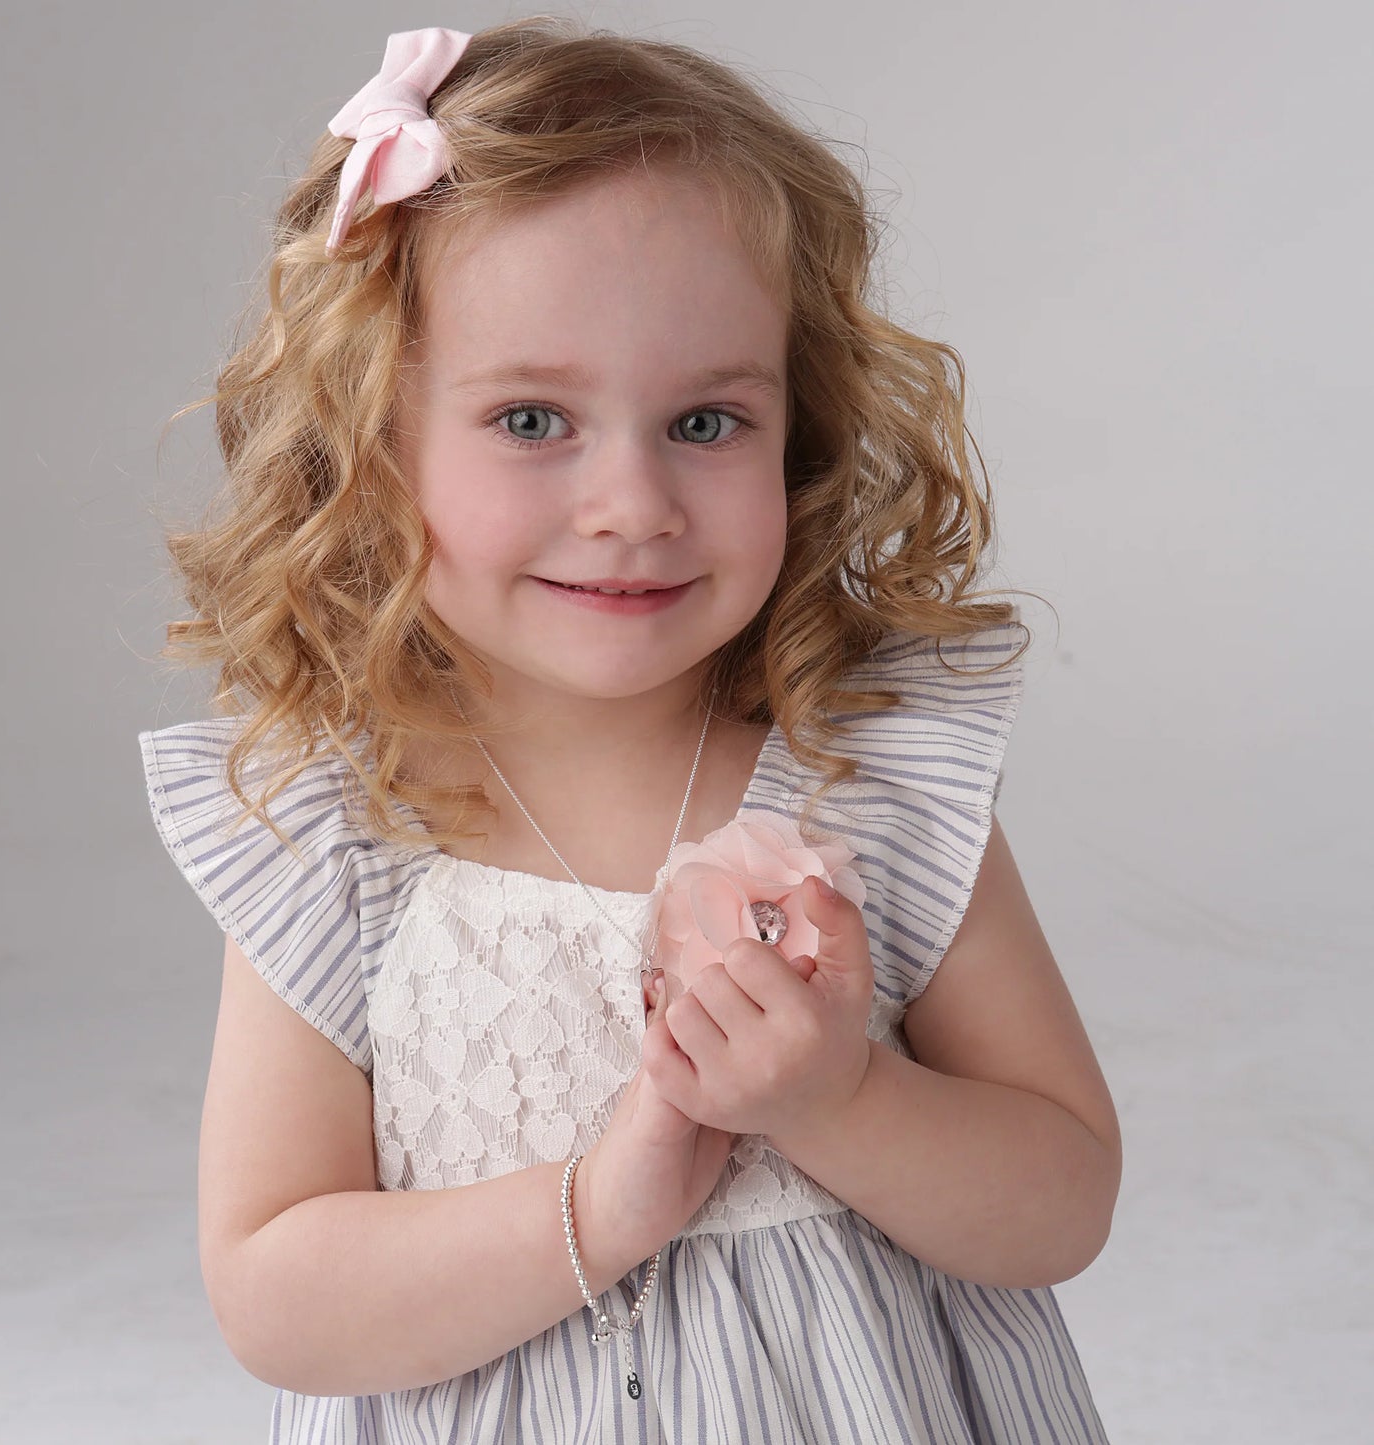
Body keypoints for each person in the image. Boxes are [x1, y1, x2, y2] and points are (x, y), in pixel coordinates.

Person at [137, 16, 1120, 1443]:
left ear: (799, 432)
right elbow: (276, 1297)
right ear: (372, 441)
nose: (632, 507)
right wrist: (597, 1208)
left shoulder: (872, 775)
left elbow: (1063, 1199)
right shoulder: (339, 823)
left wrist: (841, 1102)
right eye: (533, 420)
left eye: (706, 424)